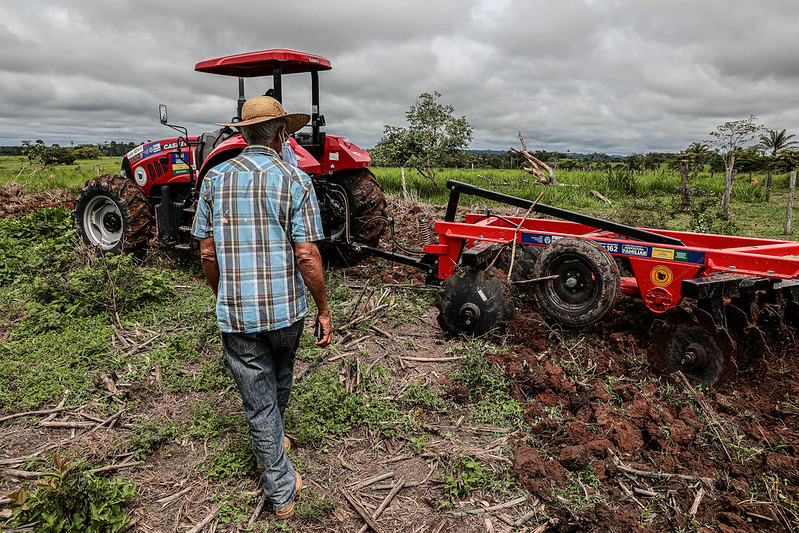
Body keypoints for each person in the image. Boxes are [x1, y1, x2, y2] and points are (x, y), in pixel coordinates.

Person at [191, 96, 332, 519]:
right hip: (287, 311)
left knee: (260, 398)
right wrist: (323, 309)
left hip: (237, 314)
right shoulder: (296, 181)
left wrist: (223, 294)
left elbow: (207, 254)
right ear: (282, 134)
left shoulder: (214, 179)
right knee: (280, 379)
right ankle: (281, 488)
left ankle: (268, 444)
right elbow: (307, 254)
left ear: (242, 133)